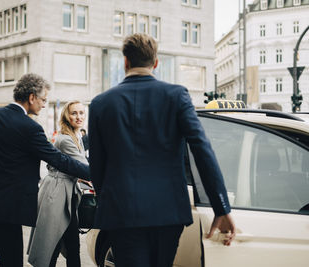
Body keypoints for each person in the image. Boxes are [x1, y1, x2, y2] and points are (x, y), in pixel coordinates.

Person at [88, 33, 236, 267]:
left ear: (125, 61)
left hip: (121, 211)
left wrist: (107, 198)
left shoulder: (100, 103)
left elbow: (96, 165)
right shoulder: (176, 96)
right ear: (155, 62)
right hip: (167, 211)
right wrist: (221, 206)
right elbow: (202, 149)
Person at [0, 74, 89, 267]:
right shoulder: (30, 128)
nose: (44, 105)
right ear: (32, 97)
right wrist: (96, 173)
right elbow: (59, 160)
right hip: (7, 212)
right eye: (43, 100)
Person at [28, 100, 90, 267]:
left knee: (70, 245)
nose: (78, 117)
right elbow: (83, 166)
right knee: (52, 245)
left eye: (81, 113)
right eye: (74, 113)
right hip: (56, 193)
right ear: (66, 116)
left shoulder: (77, 135)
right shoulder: (65, 139)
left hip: (66, 192)